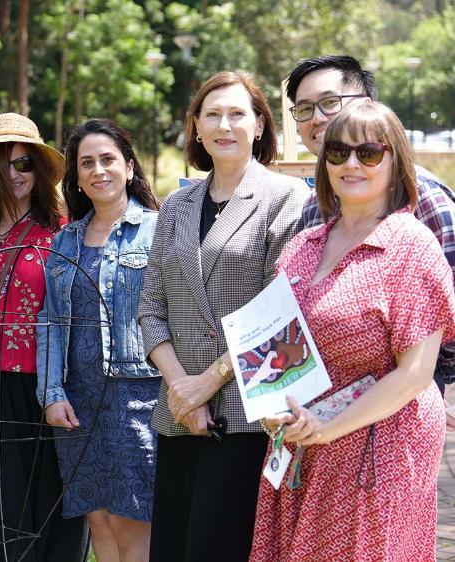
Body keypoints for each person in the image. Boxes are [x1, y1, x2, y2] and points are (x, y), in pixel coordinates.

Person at [250, 100, 455, 561]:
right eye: (338, 153)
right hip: (302, 444)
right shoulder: (304, 244)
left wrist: (327, 428)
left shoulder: (411, 247)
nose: (351, 164)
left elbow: (416, 375)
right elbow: (272, 347)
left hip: (378, 453)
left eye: (368, 152)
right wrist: (272, 413)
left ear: (396, 159)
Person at [137, 71, 309, 561]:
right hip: (179, 416)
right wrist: (182, 392)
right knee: (173, 548)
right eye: (211, 114)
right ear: (195, 126)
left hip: (246, 416)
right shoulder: (176, 205)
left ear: (259, 126)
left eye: (237, 113)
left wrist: (205, 385)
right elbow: (150, 308)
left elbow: (280, 313)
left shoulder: (286, 198)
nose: (223, 124)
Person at [0, 112, 87, 561]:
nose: (16, 174)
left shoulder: (64, 230)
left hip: (54, 384)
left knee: (53, 503)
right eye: (5, 163)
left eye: (26, 163)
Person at [285, 55, 455, 395]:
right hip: (318, 404)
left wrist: (435, 383)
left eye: (329, 103)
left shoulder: (423, 197)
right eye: (303, 109)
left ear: (366, 105)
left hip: (400, 402)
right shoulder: (312, 211)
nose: (316, 118)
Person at [38, 118, 161, 562]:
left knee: (134, 521)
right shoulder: (64, 241)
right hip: (78, 400)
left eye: (108, 159)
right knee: (98, 519)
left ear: (129, 167)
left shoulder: (158, 231)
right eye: (86, 163)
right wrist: (52, 393)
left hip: (137, 396)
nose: (98, 170)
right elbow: (50, 320)